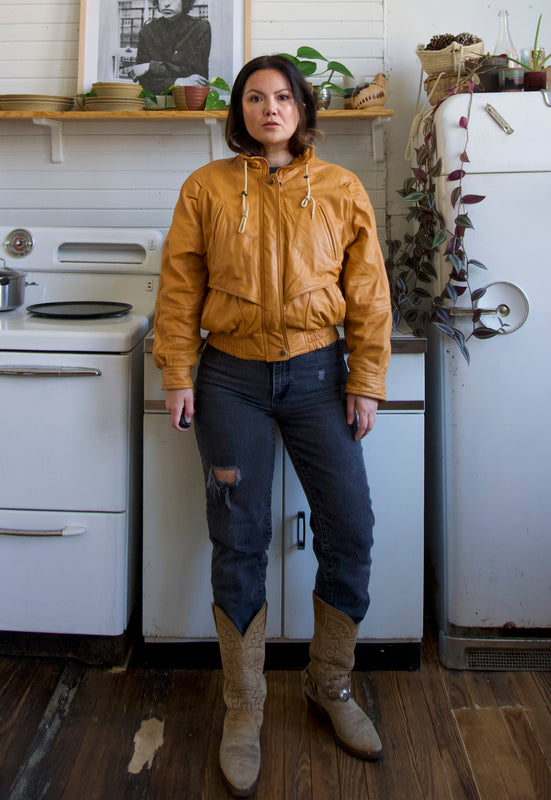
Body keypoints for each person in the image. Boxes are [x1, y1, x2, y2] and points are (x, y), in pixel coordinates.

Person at [153, 54, 392, 797]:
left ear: (301, 107)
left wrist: (368, 380)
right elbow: (180, 283)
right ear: (239, 112)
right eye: (254, 97)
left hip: (320, 377)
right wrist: (176, 372)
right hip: (229, 380)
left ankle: (331, 685)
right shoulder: (207, 187)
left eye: (281, 96)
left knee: (348, 527)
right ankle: (243, 708)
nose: (269, 108)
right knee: (239, 538)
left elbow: (367, 292)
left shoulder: (342, 188)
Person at [127, 0, 211, 94]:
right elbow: (144, 80)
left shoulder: (200, 28)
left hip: (190, 100)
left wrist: (150, 67)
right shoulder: (147, 31)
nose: (166, 4)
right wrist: (179, 82)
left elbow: (196, 75)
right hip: (156, 102)